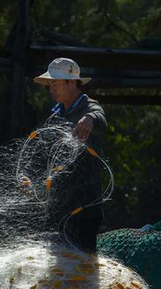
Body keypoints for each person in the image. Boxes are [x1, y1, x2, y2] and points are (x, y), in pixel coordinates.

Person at [33, 58, 107, 252]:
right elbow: (42, 153)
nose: (51, 89)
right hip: (58, 207)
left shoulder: (89, 108)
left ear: (72, 82)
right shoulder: (55, 116)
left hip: (84, 209)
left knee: (81, 269)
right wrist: (29, 177)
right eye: (50, 84)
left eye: (55, 84)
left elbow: (99, 114)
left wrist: (89, 118)